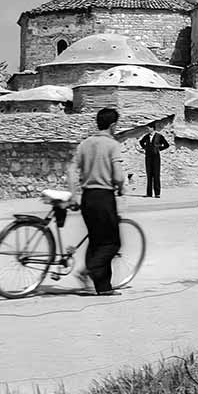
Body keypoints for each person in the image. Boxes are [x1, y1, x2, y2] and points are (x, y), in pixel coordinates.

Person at [68, 107, 127, 296]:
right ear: (113, 125)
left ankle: (103, 287)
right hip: (104, 197)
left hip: (87, 198)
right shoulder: (112, 145)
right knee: (112, 243)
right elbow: (118, 176)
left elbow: (71, 170)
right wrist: (120, 186)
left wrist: (73, 194)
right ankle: (88, 269)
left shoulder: (85, 144)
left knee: (96, 241)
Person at [139, 122, 169, 199]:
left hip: (156, 157)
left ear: (152, 128)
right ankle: (149, 193)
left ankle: (157, 193)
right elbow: (141, 142)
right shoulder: (146, 136)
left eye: (148, 128)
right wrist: (145, 148)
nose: (147, 129)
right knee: (149, 175)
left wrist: (158, 149)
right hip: (148, 157)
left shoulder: (159, 136)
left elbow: (166, 145)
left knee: (156, 175)